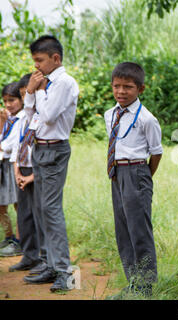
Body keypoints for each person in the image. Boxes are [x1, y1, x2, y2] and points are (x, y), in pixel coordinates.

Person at [22, 35, 79, 292]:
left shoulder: (64, 83)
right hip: (40, 148)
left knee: (52, 210)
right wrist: (33, 93)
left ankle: (65, 272)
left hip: (54, 150)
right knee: (41, 208)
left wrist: (38, 90)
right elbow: (29, 113)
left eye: (40, 61)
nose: (36, 67)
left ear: (55, 58)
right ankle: (50, 263)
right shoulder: (47, 82)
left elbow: (47, 116)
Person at [105, 62, 162, 298]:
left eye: (127, 87)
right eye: (117, 86)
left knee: (139, 230)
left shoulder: (147, 119)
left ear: (141, 88)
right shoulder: (110, 114)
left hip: (137, 172)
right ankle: (133, 281)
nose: (121, 91)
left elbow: (156, 152)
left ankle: (146, 284)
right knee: (123, 229)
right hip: (116, 173)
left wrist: (144, 176)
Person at [8, 73, 48, 273]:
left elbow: (43, 151)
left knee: (39, 214)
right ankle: (29, 256)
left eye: (28, 94)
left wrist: (32, 176)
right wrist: (17, 172)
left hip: (35, 170)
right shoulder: (22, 118)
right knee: (24, 215)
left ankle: (43, 258)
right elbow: (17, 146)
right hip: (21, 169)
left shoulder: (42, 117)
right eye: (23, 95)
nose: (25, 99)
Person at [0, 82, 23, 257]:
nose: (8, 104)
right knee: (2, 204)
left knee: (18, 203)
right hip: (3, 164)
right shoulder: (8, 119)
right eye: (5, 100)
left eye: (12, 100)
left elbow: (10, 145)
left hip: (13, 164)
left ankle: (20, 240)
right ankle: (9, 236)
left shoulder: (22, 119)